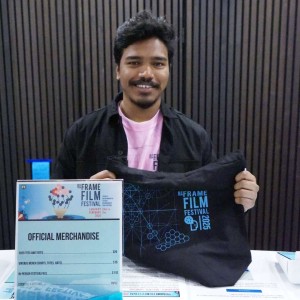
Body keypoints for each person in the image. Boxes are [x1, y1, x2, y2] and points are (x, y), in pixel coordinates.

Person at [53, 10, 259, 212]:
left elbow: (208, 208)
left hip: (174, 246)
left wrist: (238, 201)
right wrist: (85, 196)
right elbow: (54, 204)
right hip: (103, 246)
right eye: (134, 63)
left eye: (158, 64)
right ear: (118, 69)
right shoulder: (81, 134)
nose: (146, 73)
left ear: (168, 69)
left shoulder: (195, 138)